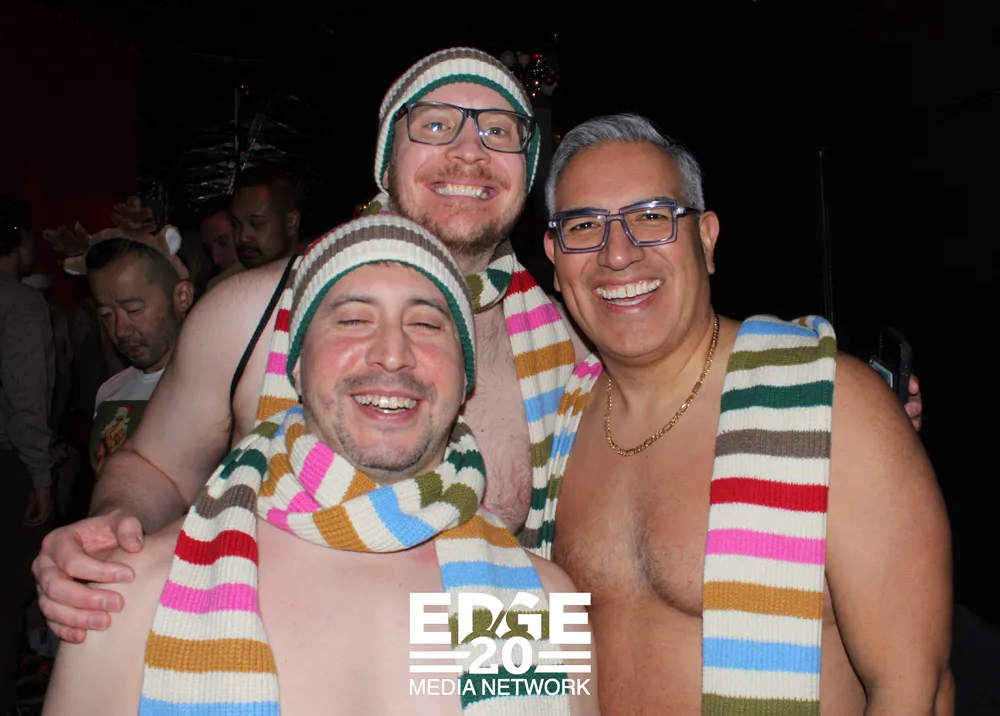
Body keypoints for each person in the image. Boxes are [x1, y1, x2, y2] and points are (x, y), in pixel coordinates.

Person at [32, 47, 920, 646]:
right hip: (275, 669)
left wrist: (819, 400)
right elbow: (152, 466)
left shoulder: (574, 335)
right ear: (385, 160)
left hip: (487, 672)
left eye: (497, 130)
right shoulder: (253, 311)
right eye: (435, 124)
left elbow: (687, 384)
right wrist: (107, 532)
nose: (468, 149)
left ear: (523, 175)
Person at [42, 216, 597, 716]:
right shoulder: (132, 596)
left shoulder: (533, 606)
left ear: (465, 377)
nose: (392, 353)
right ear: (297, 367)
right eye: (352, 319)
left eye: (427, 325)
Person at [520, 114, 952, 714]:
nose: (618, 253)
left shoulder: (833, 405)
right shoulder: (553, 428)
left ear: (706, 239)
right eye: (585, 226)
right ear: (555, 256)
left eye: (652, 217)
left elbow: (914, 689)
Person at [0, 194, 56, 714]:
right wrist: (41, 475)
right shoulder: (18, 303)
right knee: (8, 596)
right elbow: (25, 399)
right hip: (8, 465)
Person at [85, 236, 194, 473]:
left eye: (133, 310)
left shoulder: (214, 390)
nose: (119, 330)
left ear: (182, 297)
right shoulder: (109, 394)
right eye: (106, 315)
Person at [230, 165, 302, 269]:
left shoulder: (320, 273)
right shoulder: (230, 278)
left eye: (256, 224)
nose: (242, 237)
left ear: (291, 222)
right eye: (235, 225)